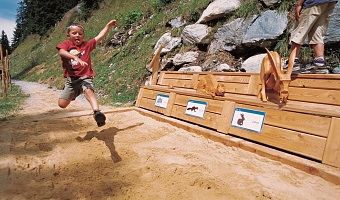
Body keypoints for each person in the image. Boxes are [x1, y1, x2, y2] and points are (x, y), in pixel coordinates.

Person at [56, 20, 117, 127]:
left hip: (85, 77)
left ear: (83, 36)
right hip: (72, 80)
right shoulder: (66, 44)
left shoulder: (87, 45)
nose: (77, 35)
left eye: (80, 33)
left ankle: (97, 113)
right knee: (62, 104)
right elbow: (61, 52)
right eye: (74, 33)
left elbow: (100, 36)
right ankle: (77, 91)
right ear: (68, 35)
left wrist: (108, 26)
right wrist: (75, 57)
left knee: (89, 91)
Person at [289, 0, 337, 72]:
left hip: (313, 2)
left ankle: (293, 62)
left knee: (300, 31)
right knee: (317, 30)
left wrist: (299, 4)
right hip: (330, 2)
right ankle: (319, 62)